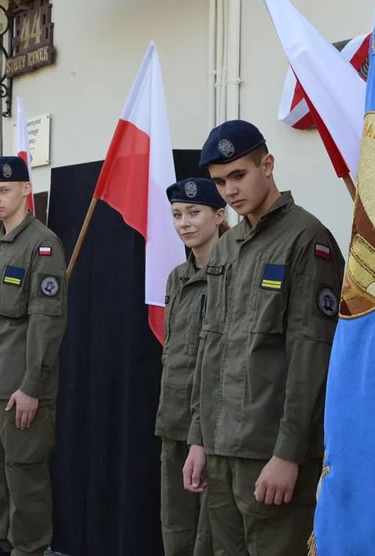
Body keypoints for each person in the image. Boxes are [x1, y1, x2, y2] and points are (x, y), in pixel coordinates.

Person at [183, 120, 345, 556]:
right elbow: (209, 346)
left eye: (239, 175)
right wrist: (198, 438)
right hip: (221, 449)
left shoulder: (308, 239)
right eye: (220, 182)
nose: (230, 190)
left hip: (270, 451)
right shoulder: (228, 246)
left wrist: (288, 454)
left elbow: (312, 354)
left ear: (267, 165)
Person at [0, 156, 67, 556]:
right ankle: (0, 542)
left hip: (16, 387)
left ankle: (29, 548)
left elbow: (46, 322)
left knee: (24, 476)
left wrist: (31, 387)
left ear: (26, 190)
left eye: (4, 190)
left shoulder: (42, 245)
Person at [158, 178, 224, 556]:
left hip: (214, 424)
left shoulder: (231, 273)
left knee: (210, 534)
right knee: (176, 527)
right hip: (175, 419)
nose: (184, 222)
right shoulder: (176, 278)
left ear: (219, 215)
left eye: (194, 213)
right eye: (177, 215)